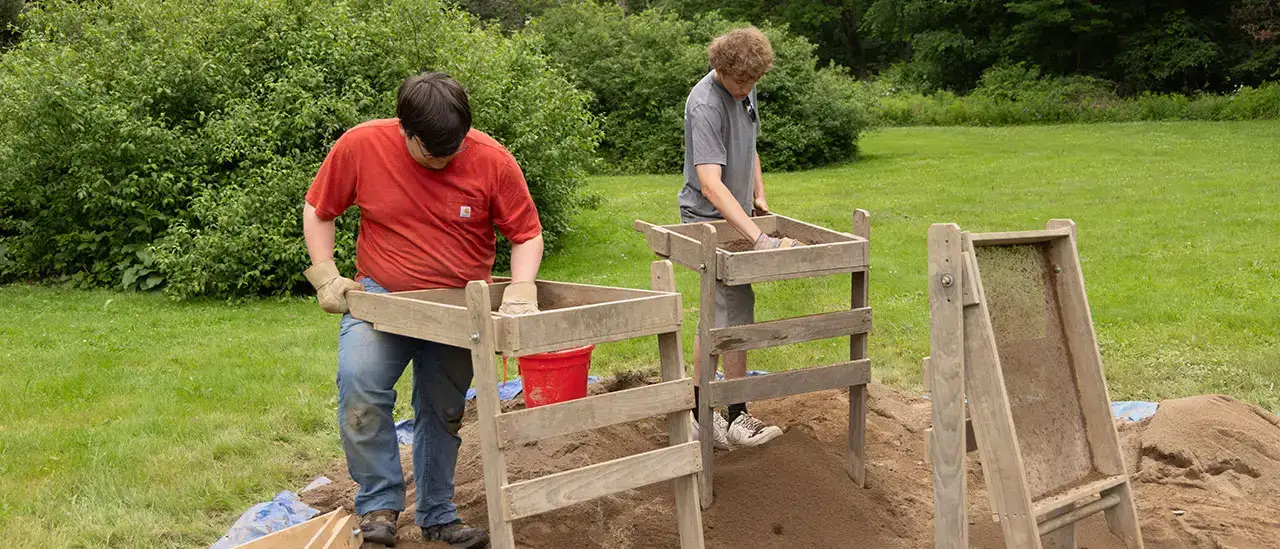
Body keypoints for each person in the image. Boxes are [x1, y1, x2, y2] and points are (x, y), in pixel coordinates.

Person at [301, 72, 544, 548]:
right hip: (382, 299)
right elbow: (319, 208)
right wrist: (326, 273)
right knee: (360, 390)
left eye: (453, 150)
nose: (444, 159)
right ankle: (379, 510)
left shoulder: (492, 160)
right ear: (405, 130)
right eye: (432, 152)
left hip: (457, 306)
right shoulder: (361, 146)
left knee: (443, 410)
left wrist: (520, 288)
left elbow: (526, 233)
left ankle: (438, 515)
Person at [680, 27, 796, 450]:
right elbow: (710, 182)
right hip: (708, 219)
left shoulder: (743, 89)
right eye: (740, 82)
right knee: (726, 312)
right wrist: (758, 239)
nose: (746, 89)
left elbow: (749, 147)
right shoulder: (705, 105)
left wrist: (758, 195)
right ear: (720, 68)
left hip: (739, 215)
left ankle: (709, 412)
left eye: (753, 82)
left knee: (725, 311)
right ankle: (727, 415)